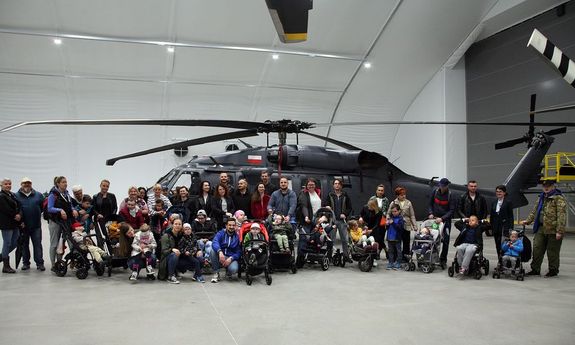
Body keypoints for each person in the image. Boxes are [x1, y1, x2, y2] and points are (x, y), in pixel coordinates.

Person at [521, 180, 567, 277]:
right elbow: (535, 211)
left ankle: (553, 270)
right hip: (541, 228)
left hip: (553, 229)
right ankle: (535, 269)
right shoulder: (542, 197)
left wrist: (559, 231)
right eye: (544, 186)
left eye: (548, 186)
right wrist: (528, 221)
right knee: (537, 249)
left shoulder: (558, 198)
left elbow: (561, 215)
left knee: (552, 251)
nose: (546, 188)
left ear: (553, 186)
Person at [14, 177, 45, 271]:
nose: (27, 184)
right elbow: (15, 210)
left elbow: (42, 207)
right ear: (21, 184)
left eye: (28, 183)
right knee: (24, 245)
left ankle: (40, 263)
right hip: (23, 226)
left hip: (36, 226)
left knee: (37, 245)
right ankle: (26, 263)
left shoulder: (39, 195)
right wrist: (20, 222)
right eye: (24, 183)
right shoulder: (16, 196)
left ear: (31, 184)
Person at [46, 176, 76, 271]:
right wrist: (60, 210)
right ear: (58, 184)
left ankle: (60, 261)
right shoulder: (53, 195)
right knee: (54, 244)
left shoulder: (67, 194)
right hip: (55, 222)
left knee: (64, 243)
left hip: (65, 221)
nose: (65, 183)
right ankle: (53, 264)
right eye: (63, 182)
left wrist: (73, 210)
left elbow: (70, 205)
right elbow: (50, 208)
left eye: (66, 182)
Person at [322, 178, 353, 262]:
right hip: (333, 220)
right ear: (333, 185)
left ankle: (346, 256)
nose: (337, 185)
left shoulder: (345, 195)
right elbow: (325, 204)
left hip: (342, 221)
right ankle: (329, 256)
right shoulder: (330, 195)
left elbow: (349, 208)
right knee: (331, 239)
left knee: (345, 239)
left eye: (338, 184)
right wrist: (327, 207)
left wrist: (345, 214)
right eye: (335, 183)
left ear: (341, 185)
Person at [428, 178, 456, 266]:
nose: (442, 188)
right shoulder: (434, 192)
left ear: (447, 186)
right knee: (433, 238)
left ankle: (443, 259)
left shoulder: (450, 195)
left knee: (446, 240)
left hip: (445, 221)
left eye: (443, 186)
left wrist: (442, 218)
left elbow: (451, 210)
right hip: (435, 220)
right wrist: (431, 213)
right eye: (440, 186)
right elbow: (430, 204)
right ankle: (433, 257)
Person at [386, 186, 417, 260]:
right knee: (397, 242)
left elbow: (412, 215)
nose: (404, 196)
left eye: (404, 194)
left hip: (406, 224)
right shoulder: (393, 202)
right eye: (401, 194)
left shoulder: (408, 203)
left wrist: (414, 225)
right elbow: (388, 213)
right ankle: (396, 257)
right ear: (397, 195)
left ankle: (406, 257)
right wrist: (388, 220)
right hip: (397, 225)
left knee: (406, 242)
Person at [0, 178, 23, 273]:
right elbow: (6, 209)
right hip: (6, 224)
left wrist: (20, 215)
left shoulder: (12, 195)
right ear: (1, 185)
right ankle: (6, 266)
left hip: (15, 223)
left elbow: (19, 206)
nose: (8, 185)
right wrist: (15, 215)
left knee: (14, 243)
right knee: (7, 243)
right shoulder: (1, 196)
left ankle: (2, 256)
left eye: (9, 184)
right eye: (6, 184)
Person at [210, 218, 241, 283]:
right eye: (229, 225)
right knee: (213, 251)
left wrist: (231, 258)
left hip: (230, 256)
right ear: (226, 226)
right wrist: (219, 251)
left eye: (233, 225)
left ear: (235, 226)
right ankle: (216, 273)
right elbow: (215, 242)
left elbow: (238, 251)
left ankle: (228, 271)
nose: (231, 227)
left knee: (234, 269)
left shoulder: (237, 236)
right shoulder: (220, 233)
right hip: (220, 255)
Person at [490, 185, 514, 258]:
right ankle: (499, 261)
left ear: (504, 193)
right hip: (496, 227)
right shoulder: (494, 202)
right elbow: (492, 215)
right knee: (497, 245)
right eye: (497, 191)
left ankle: (505, 261)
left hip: (504, 227)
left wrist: (510, 228)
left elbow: (510, 216)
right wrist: (491, 226)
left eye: (500, 191)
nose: (498, 193)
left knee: (504, 245)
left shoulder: (508, 202)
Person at [158, 218, 183, 284]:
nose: (178, 225)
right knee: (174, 255)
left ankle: (176, 271)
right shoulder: (166, 235)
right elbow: (164, 251)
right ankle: (170, 276)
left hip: (178, 257)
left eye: (179, 224)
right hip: (165, 259)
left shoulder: (181, 235)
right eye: (176, 224)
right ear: (172, 225)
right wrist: (172, 249)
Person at [386, 205, 404, 270]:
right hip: (390, 237)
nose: (394, 213)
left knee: (398, 251)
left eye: (395, 211)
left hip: (397, 238)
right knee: (390, 251)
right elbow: (387, 228)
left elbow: (400, 228)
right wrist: (387, 225)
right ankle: (391, 262)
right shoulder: (390, 218)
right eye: (392, 211)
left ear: (399, 211)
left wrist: (393, 223)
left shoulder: (400, 219)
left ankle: (398, 262)